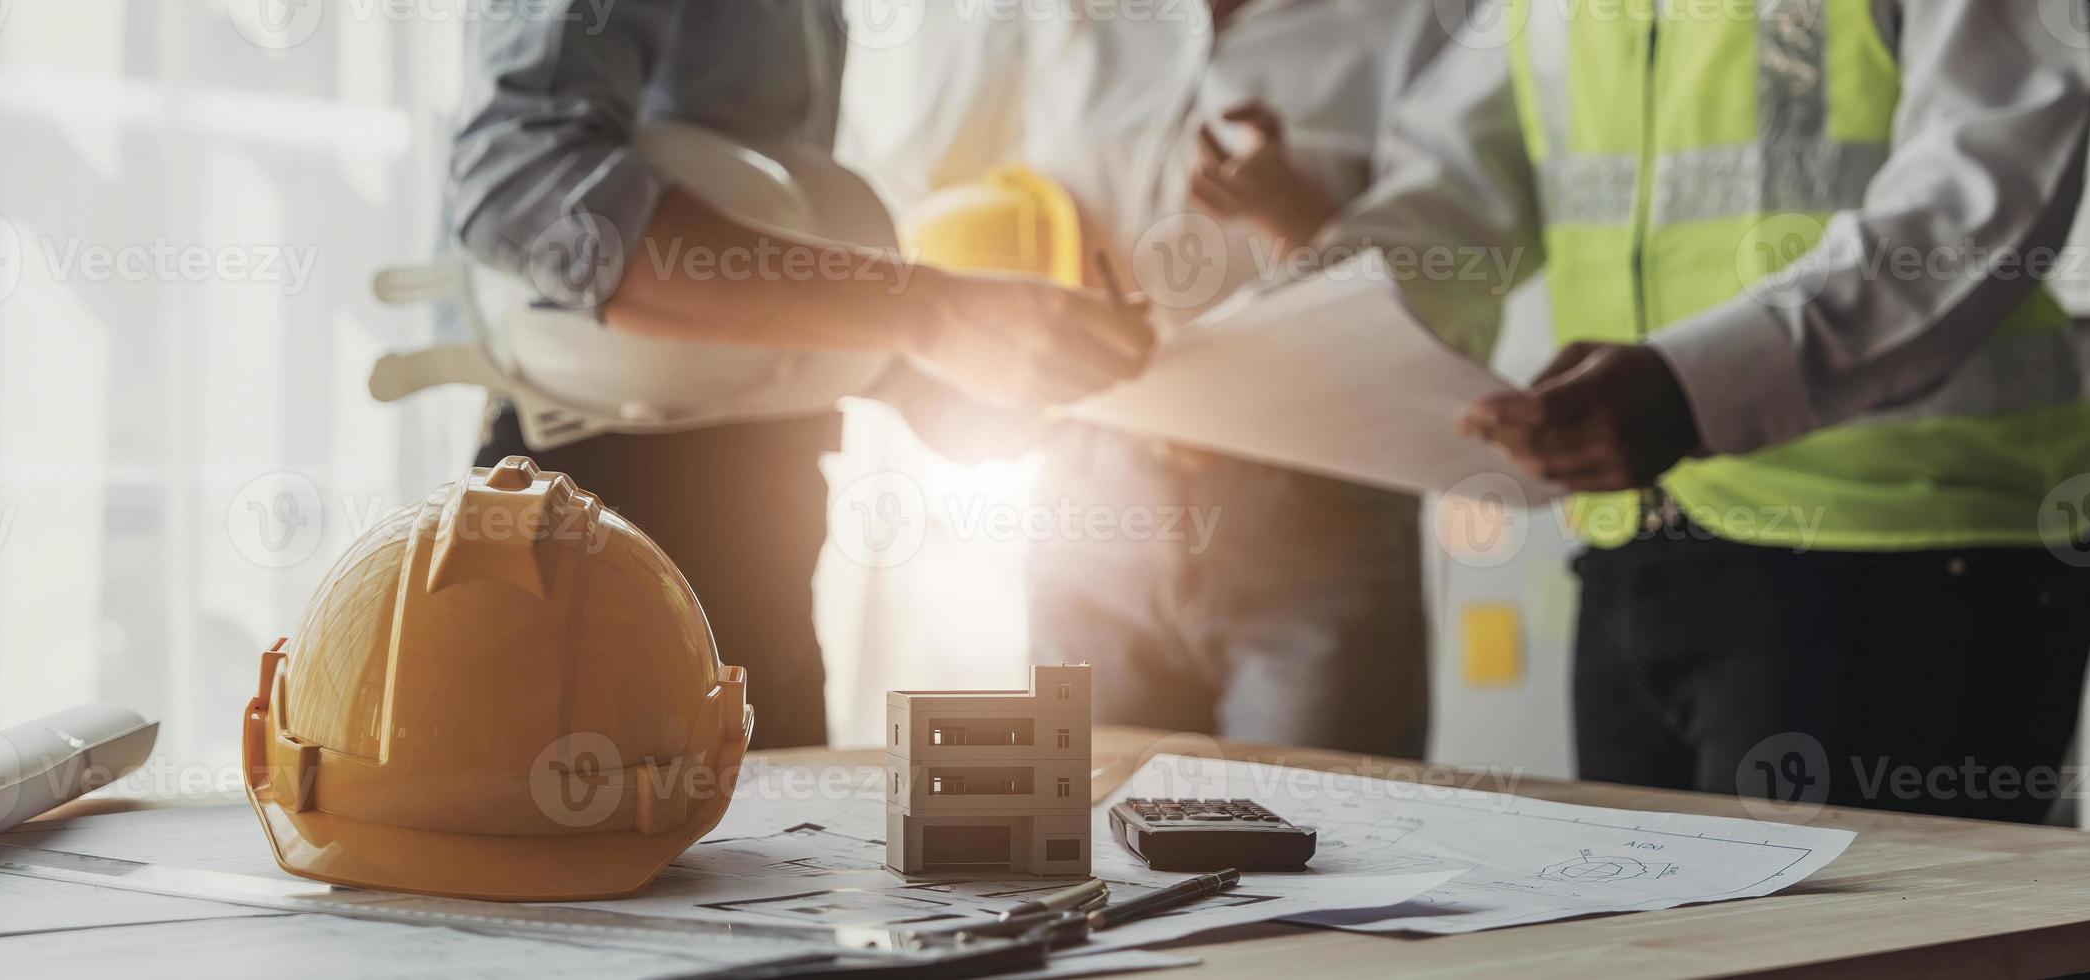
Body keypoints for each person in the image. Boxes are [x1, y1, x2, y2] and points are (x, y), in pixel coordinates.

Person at [1340, 0, 2090, 821]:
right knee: (1644, 946)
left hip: (1901, 552)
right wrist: (1283, 307)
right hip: (1641, 541)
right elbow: (1452, 193)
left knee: (1832, 951)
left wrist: (1698, 384)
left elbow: (1980, 196)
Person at [448, 0, 1153, 749]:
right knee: (569, 848)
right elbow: (523, 186)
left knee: (780, 855)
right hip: (601, 497)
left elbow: (765, 225)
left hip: (766, 508)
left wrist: (904, 366)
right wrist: (927, 314)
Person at [857, 0, 1457, 755]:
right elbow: (944, 201)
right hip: (1090, 492)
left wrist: (1308, 226)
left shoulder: (1416, 21)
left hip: (1314, 505)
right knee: (1088, 833)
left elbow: (1458, 275)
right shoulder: (1055, 20)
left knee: (1320, 838)